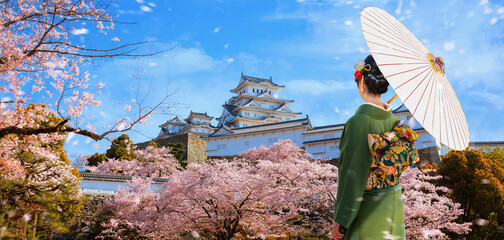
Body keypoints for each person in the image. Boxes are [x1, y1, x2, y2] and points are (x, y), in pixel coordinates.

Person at [331, 55, 406, 240]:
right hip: (392, 202)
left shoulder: (358, 122)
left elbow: (351, 172)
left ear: (362, 82)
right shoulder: (395, 122)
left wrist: (341, 218)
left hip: (367, 207)